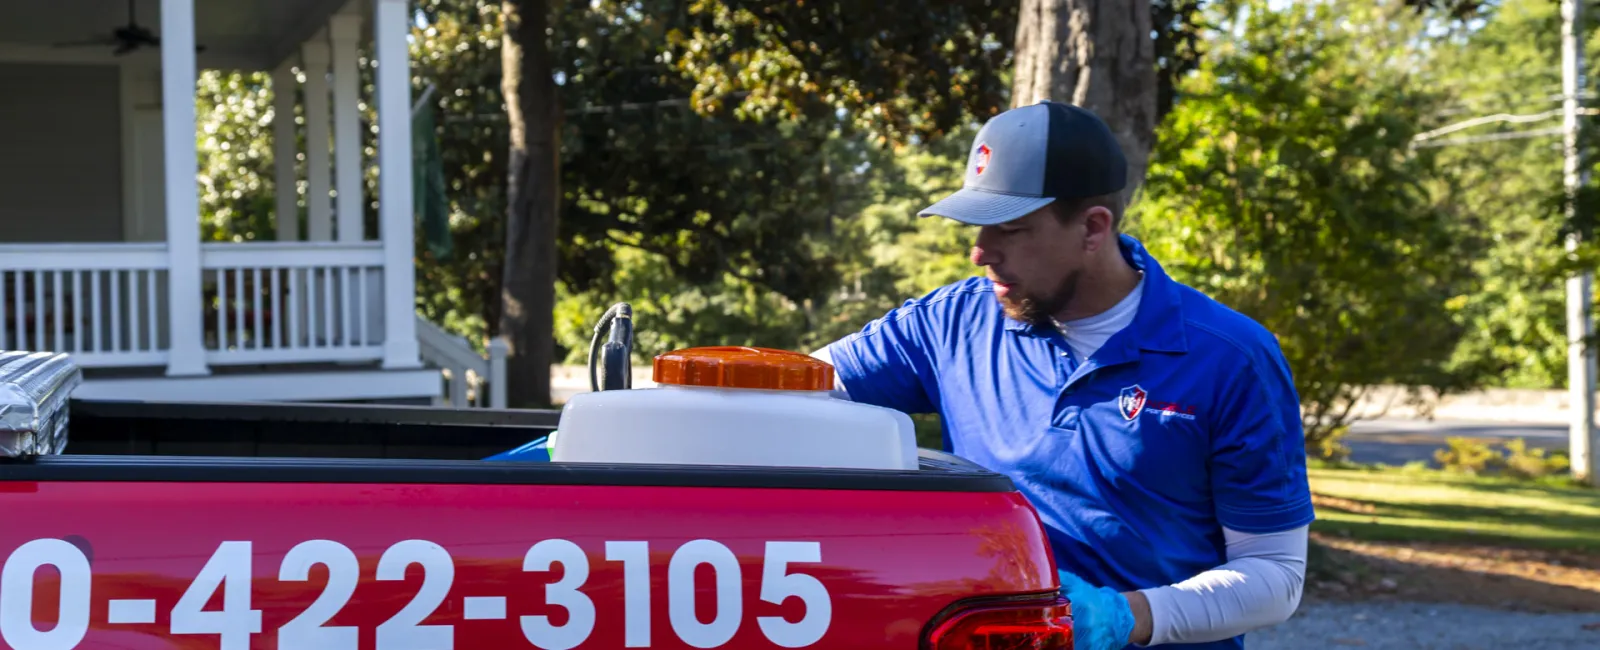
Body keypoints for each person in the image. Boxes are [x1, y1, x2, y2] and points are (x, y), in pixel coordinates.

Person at [812, 100, 1314, 649]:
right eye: (975, 229)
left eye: (1010, 230)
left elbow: (1274, 577)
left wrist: (1122, 617)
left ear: (1093, 227)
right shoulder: (949, 323)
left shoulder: (1232, 358)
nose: (981, 253)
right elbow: (801, 388)